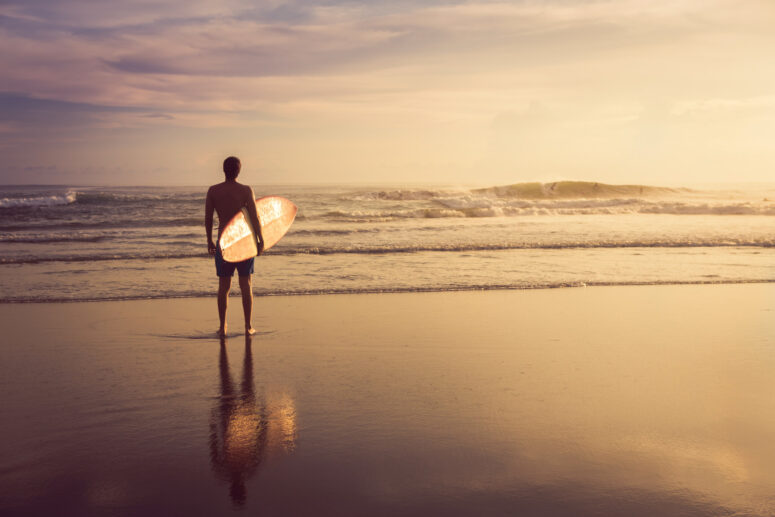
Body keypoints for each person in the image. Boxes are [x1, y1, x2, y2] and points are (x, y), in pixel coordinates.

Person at [205, 156, 264, 337]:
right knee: (246, 283)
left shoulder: (213, 191)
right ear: (239, 171)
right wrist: (260, 238)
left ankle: (223, 327)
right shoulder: (246, 190)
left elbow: (208, 219)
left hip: (224, 241)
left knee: (224, 286)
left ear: (224, 170)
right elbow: (254, 217)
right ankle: (248, 326)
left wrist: (209, 240)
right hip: (243, 241)